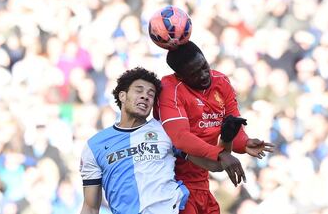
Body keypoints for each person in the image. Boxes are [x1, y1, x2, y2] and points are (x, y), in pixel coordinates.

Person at [79, 67, 244, 214]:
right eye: (139, 91)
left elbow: (214, 166)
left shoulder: (167, 132)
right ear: (122, 95)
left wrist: (226, 140)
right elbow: (90, 207)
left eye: (151, 94)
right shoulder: (94, 146)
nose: (145, 96)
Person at [153, 41, 275, 214]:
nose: (204, 75)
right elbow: (180, 137)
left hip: (202, 180)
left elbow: (233, 122)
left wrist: (244, 143)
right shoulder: (169, 89)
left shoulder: (221, 81)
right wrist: (220, 154)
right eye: (194, 73)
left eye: (204, 66)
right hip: (173, 183)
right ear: (180, 76)